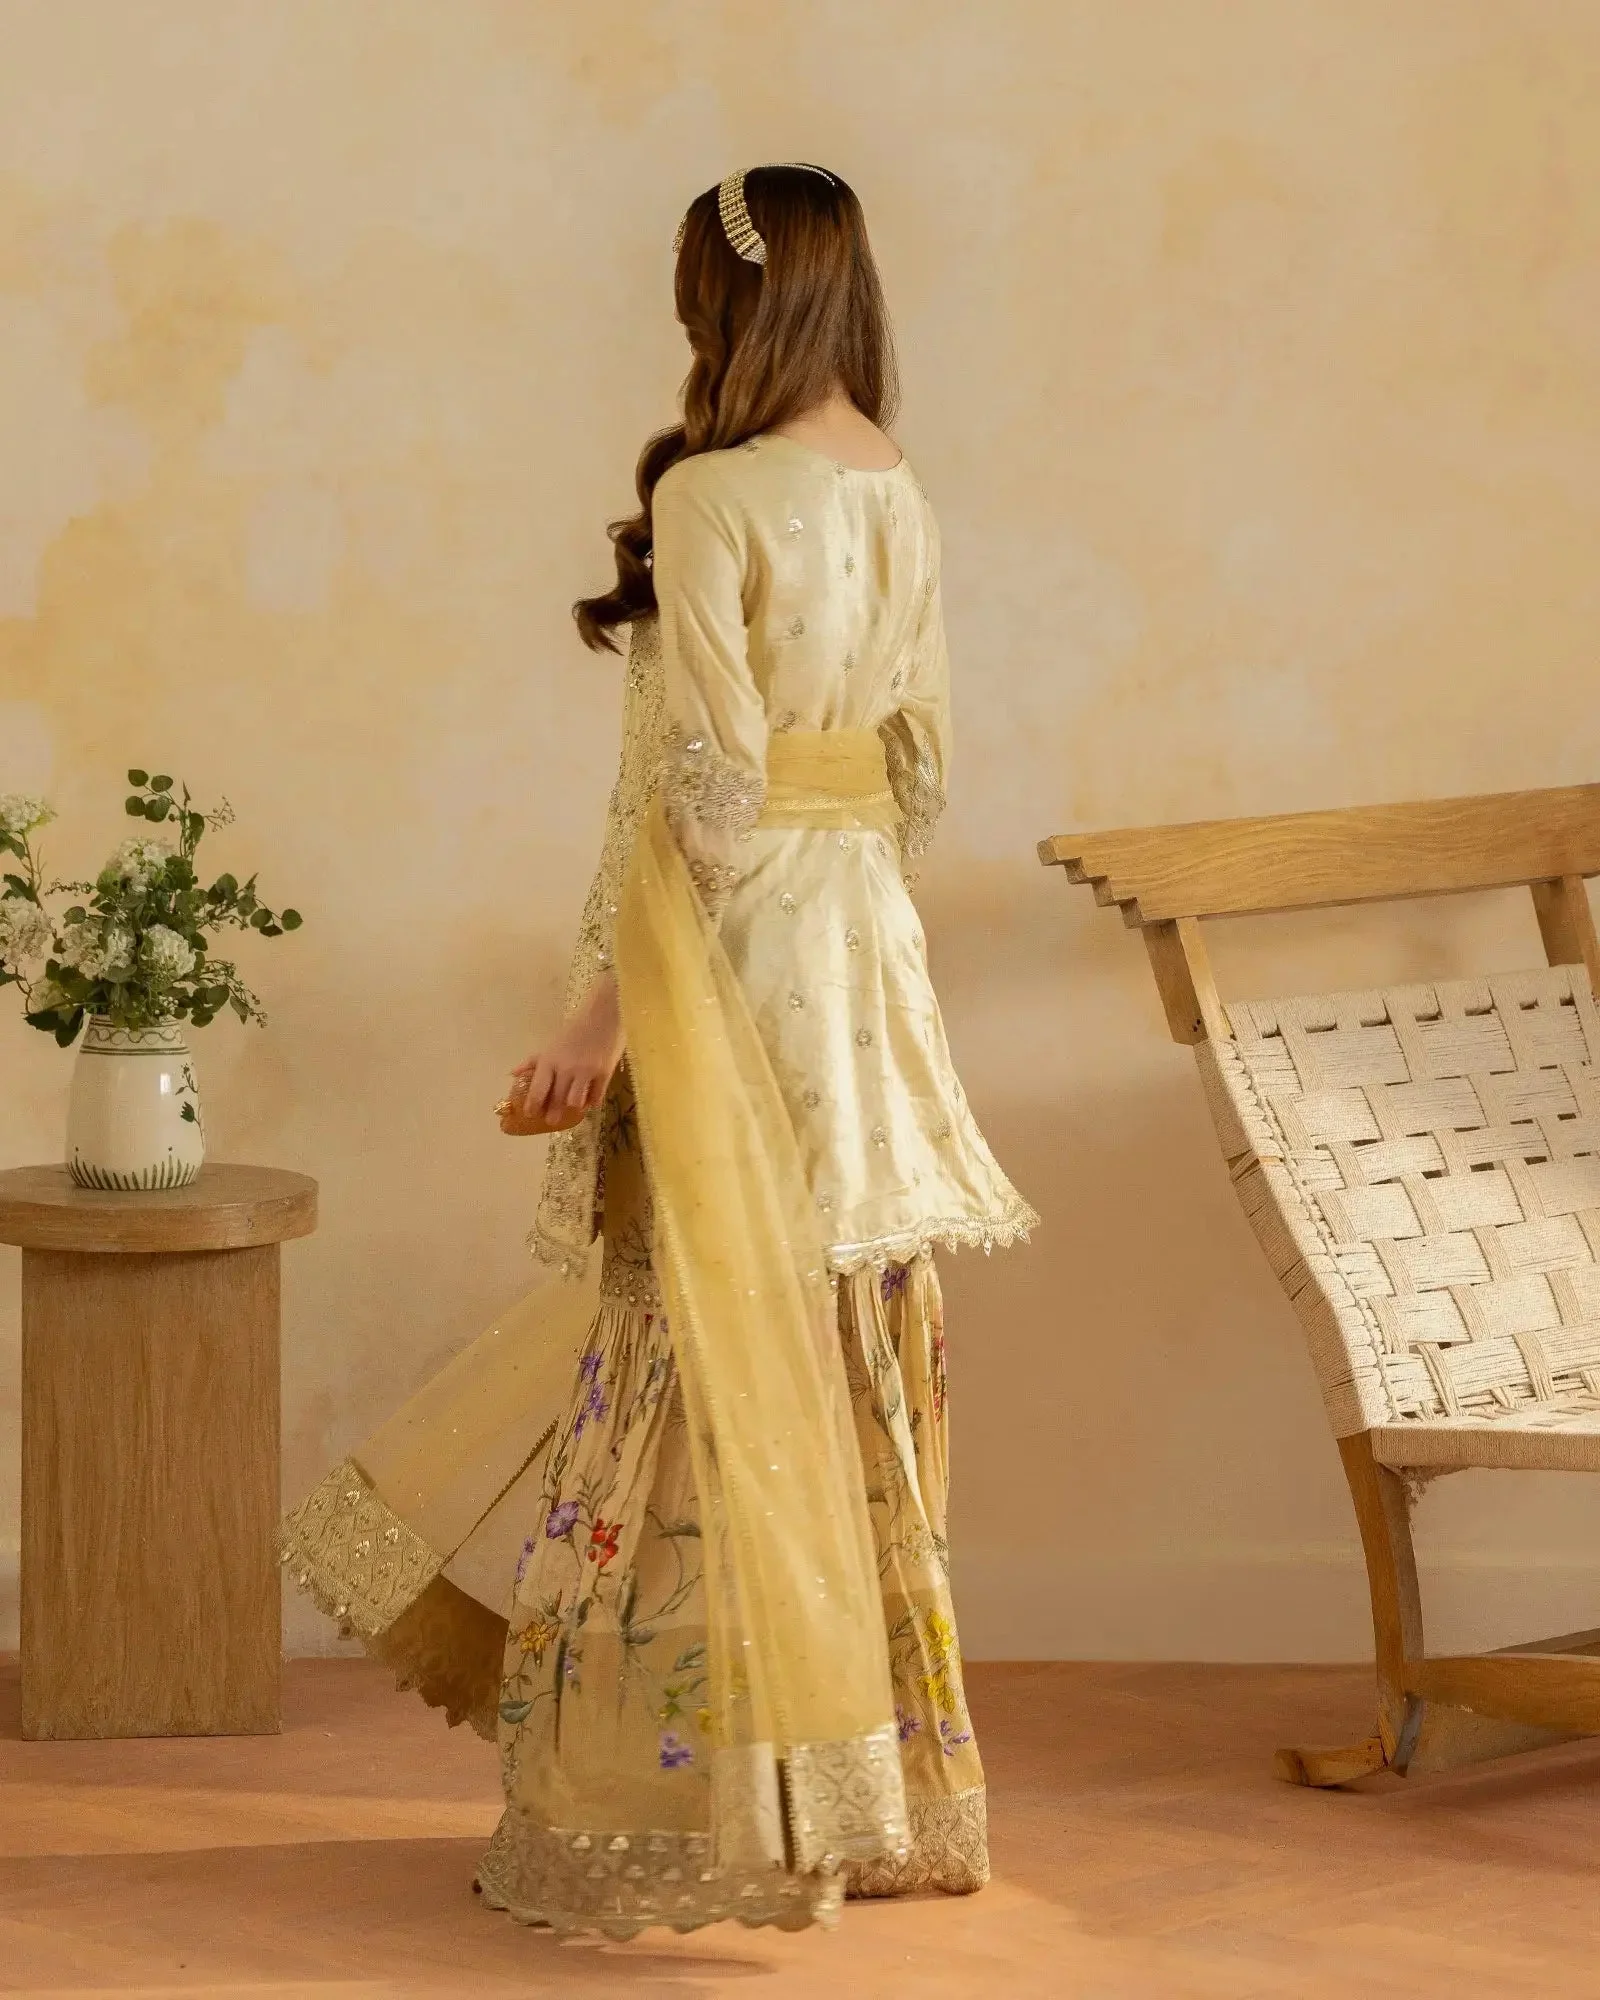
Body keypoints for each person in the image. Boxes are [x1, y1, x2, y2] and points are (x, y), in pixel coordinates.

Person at [282, 162, 1036, 1942]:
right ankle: (871, 1798)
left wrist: (601, 1023)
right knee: (837, 1358)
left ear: (729, 299)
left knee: (687, 1350)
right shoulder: (898, 489)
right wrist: (837, 905)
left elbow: (704, 789)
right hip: (864, 967)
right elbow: (915, 768)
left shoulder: (713, 493)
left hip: (732, 971)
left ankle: (660, 1812)